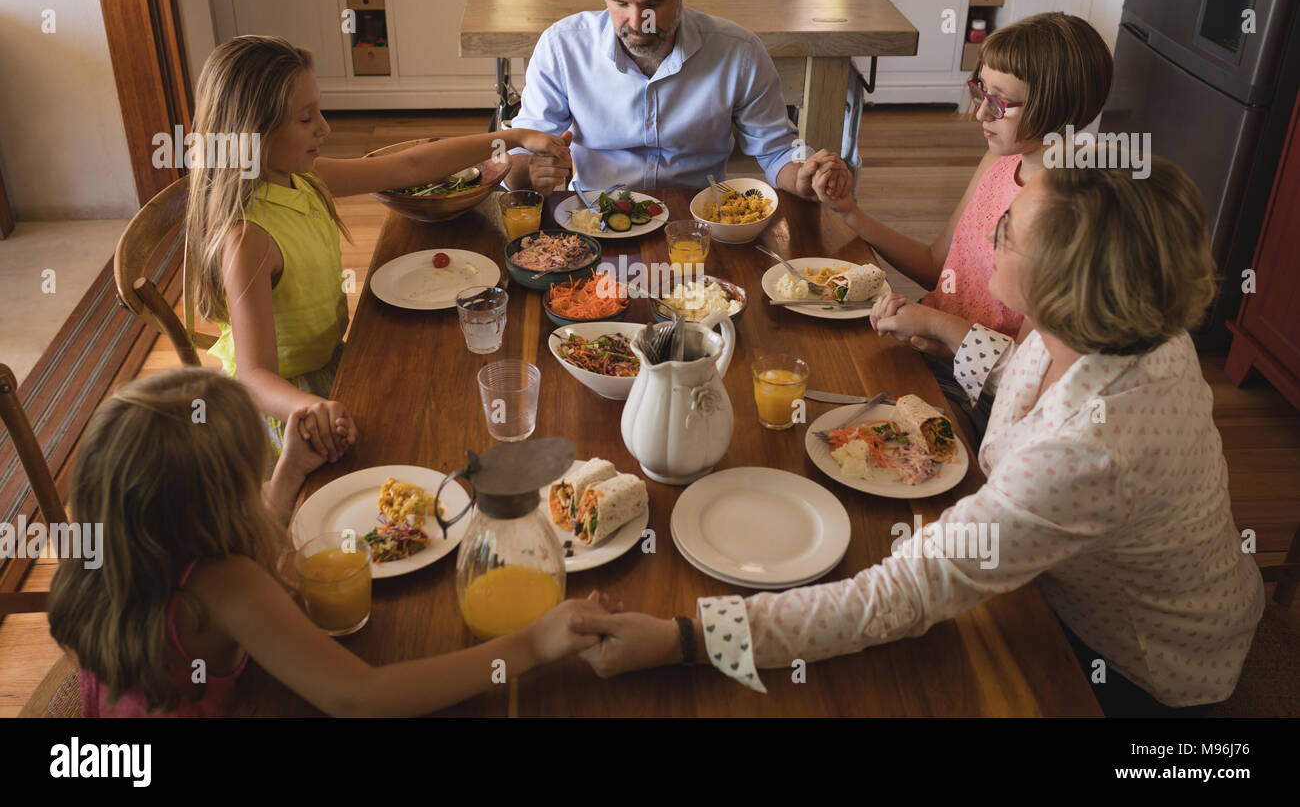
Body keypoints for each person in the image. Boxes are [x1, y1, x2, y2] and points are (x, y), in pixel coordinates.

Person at [572, 157, 1265, 715]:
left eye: (1008, 233)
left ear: (1062, 285)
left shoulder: (1087, 455)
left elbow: (898, 597)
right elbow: (1030, 379)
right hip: (1073, 577)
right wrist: (942, 330)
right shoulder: (1124, 322)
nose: (990, 234)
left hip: (1131, 664)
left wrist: (683, 639)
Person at [47, 368, 607, 717]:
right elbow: (359, 697)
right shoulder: (225, 585)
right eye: (253, 478)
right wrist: (533, 645)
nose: (260, 490)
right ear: (216, 509)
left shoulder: (111, 561)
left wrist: (291, 471)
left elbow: (244, 530)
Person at [184, 36, 570, 465]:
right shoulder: (249, 238)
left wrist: (513, 136)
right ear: (254, 133)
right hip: (288, 412)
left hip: (331, 364)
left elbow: (410, 166)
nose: (325, 128)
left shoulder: (300, 177)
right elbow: (255, 378)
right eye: (306, 118)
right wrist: (308, 410)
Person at [814, 13, 1113, 440]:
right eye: (980, 91)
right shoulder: (999, 161)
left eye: (1001, 102)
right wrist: (851, 214)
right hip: (932, 340)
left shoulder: (1069, 214)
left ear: (1057, 106)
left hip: (984, 395)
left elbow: (1028, 374)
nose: (980, 113)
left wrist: (940, 330)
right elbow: (940, 266)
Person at [504, 0, 854, 202]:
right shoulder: (562, 47)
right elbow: (519, 154)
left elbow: (778, 149)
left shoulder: (740, 53)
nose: (638, 21)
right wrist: (527, 173)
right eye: (620, 2)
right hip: (596, 222)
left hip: (700, 223)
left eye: (653, 2)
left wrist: (804, 172)